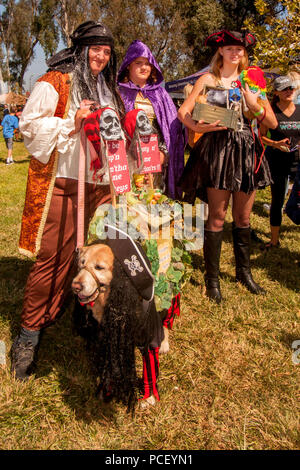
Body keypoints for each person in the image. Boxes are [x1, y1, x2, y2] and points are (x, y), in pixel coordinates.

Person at [11, 21, 124, 381]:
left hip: (100, 185)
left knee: (96, 254)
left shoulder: (109, 89)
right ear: (81, 48)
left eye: (107, 51)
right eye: (96, 49)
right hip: (64, 182)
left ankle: (83, 314)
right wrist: (72, 123)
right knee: (53, 257)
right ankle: (28, 334)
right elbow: (29, 126)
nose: (101, 57)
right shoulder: (56, 81)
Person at [177, 30, 277, 303]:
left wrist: (254, 103)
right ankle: (212, 281)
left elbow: (272, 123)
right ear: (221, 51)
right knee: (217, 217)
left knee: (243, 218)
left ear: (244, 53)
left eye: (240, 49)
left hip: (246, 150)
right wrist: (198, 126)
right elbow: (183, 112)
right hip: (218, 151)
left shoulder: (253, 80)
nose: (236, 53)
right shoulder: (208, 79)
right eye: (230, 48)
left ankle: (244, 274)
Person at [117, 40, 185, 200]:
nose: (144, 67)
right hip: (127, 158)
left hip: (153, 156)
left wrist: (163, 153)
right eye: (138, 63)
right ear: (128, 65)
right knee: (130, 202)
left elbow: (171, 129)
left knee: (151, 198)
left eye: (148, 64)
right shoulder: (118, 92)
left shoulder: (160, 94)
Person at [260, 76, 300, 248]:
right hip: (277, 161)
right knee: (277, 201)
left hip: (298, 161)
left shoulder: (299, 109)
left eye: (291, 88)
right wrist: (275, 144)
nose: (289, 91)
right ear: (276, 92)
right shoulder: (270, 111)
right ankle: (274, 240)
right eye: (284, 89)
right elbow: (260, 136)